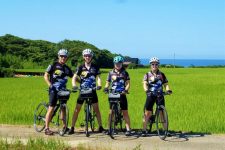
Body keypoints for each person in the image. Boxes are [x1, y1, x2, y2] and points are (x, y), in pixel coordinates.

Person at [68, 48, 104, 134]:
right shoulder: (80, 67)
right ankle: (72, 127)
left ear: (91, 57)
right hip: (83, 91)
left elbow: (98, 78)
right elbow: (74, 77)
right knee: (77, 109)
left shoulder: (95, 67)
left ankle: (100, 126)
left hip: (92, 90)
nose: (87, 57)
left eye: (89, 56)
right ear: (83, 57)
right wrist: (74, 85)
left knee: (96, 109)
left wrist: (99, 85)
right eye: (86, 56)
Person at [43, 49, 73, 135]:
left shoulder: (67, 68)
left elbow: (73, 77)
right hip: (53, 90)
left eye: (65, 56)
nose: (63, 58)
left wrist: (81, 82)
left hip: (63, 91)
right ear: (58, 56)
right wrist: (50, 85)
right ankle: (46, 128)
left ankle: (64, 127)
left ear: (67, 58)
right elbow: (45, 75)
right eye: (62, 56)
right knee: (51, 108)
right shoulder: (53, 65)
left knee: (63, 108)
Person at [142, 57, 172, 136]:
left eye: (156, 64)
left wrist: (168, 90)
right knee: (147, 113)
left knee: (162, 112)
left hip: (160, 95)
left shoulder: (162, 75)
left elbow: (166, 84)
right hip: (150, 94)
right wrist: (146, 90)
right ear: (150, 65)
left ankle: (166, 130)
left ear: (158, 65)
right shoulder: (147, 75)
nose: (154, 65)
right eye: (153, 64)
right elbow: (145, 84)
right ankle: (144, 130)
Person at [104, 55, 133, 136]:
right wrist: (106, 88)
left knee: (125, 112)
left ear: (122, 64)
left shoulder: (125, 73)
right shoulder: (110, 72)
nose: (118, 65)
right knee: (111, 112)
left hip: (122, 93)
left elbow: (128, 84)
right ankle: (109, 128)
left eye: (119, 63)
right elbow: (107, 83)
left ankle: (128, 129)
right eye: (116, 63)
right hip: (113, 93)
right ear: (114, 64)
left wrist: (126, 90)